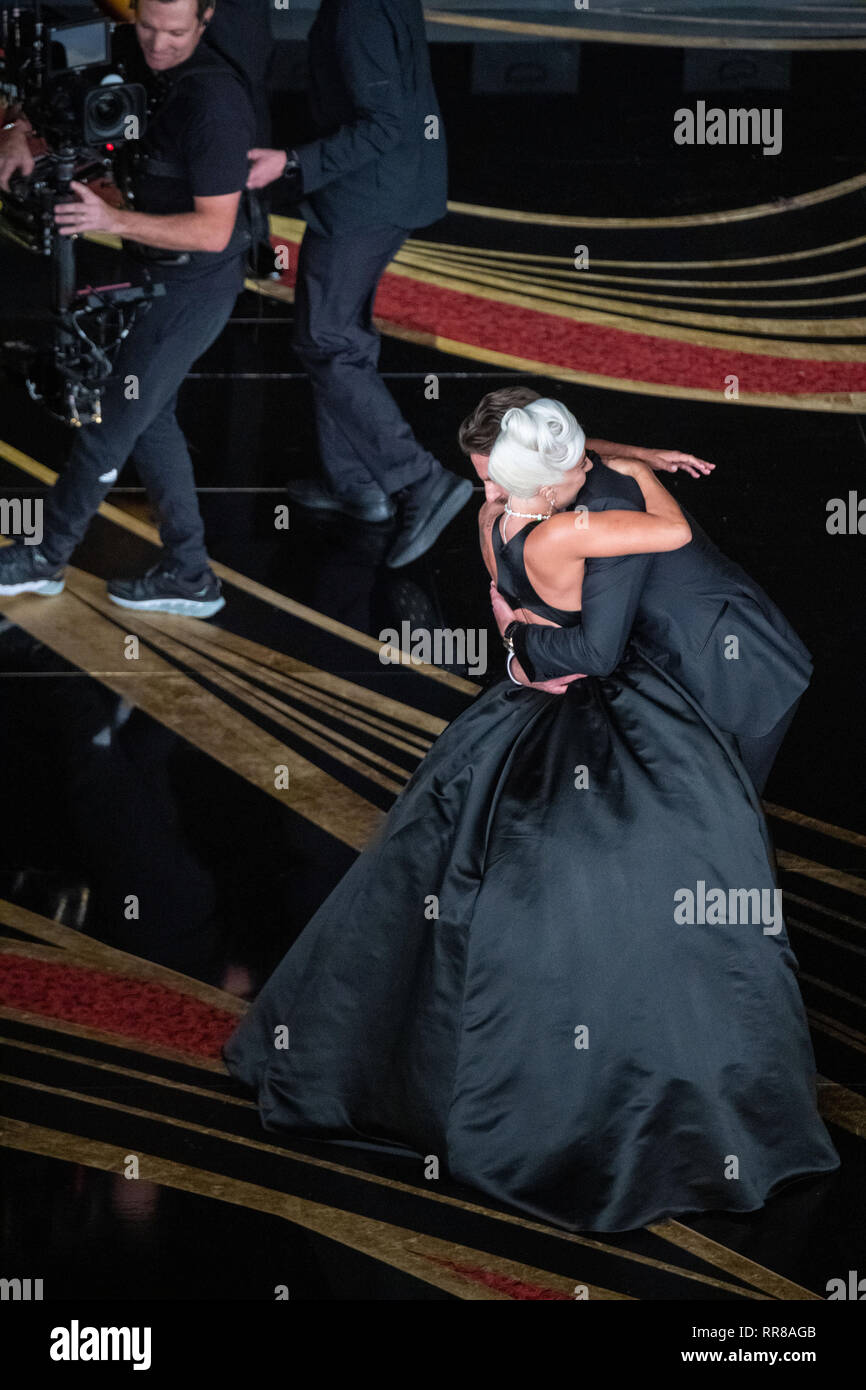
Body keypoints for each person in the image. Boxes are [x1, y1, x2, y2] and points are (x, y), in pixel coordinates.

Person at [223, 398, 838, 1234]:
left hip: (725, 663)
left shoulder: (508, 516)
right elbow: (602, 642)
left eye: (498, 475)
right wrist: (642, 479)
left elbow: (581, 581)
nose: (487, 485)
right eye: (489, 478)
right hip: (634, 674)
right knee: (687, 856)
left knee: (704, 843)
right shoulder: (568, 519)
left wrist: (520, 641)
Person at [0, 0, 255, 614]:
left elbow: (213, 231)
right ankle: (190, 573)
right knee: (151, 415)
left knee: (109, 427)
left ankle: (45, 558)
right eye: (147, 26)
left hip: (194, 284)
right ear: (133, 12)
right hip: (150, 267)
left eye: (175, 31)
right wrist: (15, 132)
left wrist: (109, 216)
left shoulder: (215, 102)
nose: (158, 44)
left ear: (207, 18)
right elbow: (56, 102)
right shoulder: (127, 52)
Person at [460, 386, 810, 794]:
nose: (493, 495)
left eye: (498, 477)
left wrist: (518, 643)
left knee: (727, 815)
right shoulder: (545, 495)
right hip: (662, 667)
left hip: (731, 672)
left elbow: (596, 650)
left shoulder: (603, 512)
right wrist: (641, 457)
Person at [245, 0, 473, 567]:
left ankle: (418, 478)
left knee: (326, 340)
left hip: (366, 198)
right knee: (340, 333)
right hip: (388, 190)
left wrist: (292, 161)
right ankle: (356, 485)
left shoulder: (356, 14)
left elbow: (383, 121)